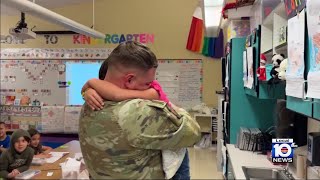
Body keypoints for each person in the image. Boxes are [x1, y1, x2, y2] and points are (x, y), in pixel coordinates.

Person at [79, 41, 201, 179]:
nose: (150, 88)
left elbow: (115, 95)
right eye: (147, 84)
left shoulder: (89, 103)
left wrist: (90, 86)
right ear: (129, 79)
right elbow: (193, 133)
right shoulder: (136, 111)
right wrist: (177, 109)